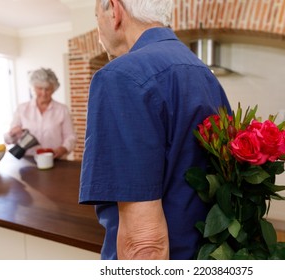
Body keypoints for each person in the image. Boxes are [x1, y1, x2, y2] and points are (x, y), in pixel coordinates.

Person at [79, 0, 231, 260]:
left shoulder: (121, 77)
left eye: (96, 17)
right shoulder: (204, 74)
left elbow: (144, 243)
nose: (98, 31)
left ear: (114, 11)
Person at [4, 68, 76, 159]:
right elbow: (8, 140)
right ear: (33, 88)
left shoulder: (62, 109)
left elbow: (70, 136)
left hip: (55, 160)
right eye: (40, 88)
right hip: (28, 161)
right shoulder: (22, 109)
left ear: (54, 89)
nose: (43, 93)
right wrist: (12, 133)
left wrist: (63, 149)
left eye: (47, 89)